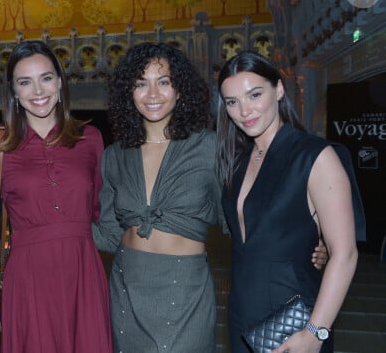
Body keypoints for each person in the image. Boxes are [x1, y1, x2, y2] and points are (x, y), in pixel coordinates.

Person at [216, 50, 365, 353]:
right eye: (232, 102)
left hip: (295, 325)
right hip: (242, 319)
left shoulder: (315, 156)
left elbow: (345, 254)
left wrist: (315, 332)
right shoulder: (240, 161)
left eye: (254, 94)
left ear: (279, 89)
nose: (244, 110)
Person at [0, 40, 112, 353]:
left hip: (84, 272)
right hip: (29, 277)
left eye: (46, 78)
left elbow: (101, 211)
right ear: (14, 91)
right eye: (25, 82)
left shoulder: (90, 139)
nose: (38, 90)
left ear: (60, 82)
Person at [92, 42, 227, 352]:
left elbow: (241, 217)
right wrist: (51, 226)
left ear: (180, 90)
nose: (152, 94)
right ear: (129, 92)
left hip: (187, 290)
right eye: (141, 83)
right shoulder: (114, 156)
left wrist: (310, 241)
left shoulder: (210, 147)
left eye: (163, 81)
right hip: (127, 288)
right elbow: (111, 233)